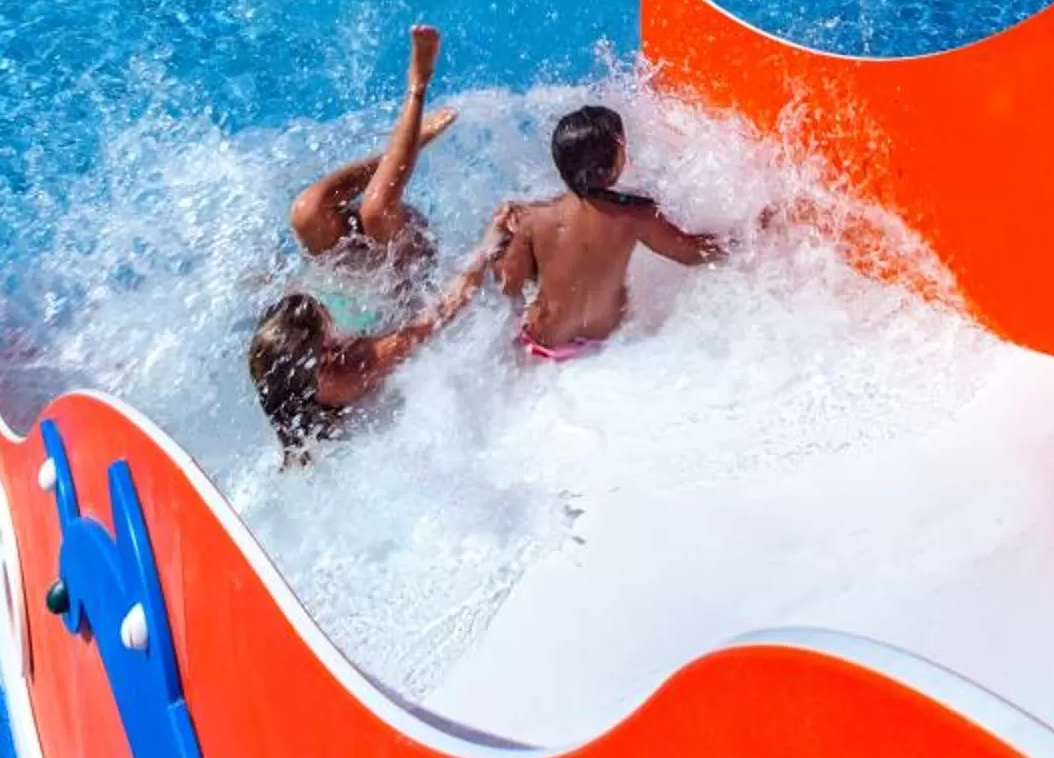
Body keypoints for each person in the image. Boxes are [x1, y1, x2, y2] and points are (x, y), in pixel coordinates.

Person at [479, 103, 727, 362]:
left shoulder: (531, 218)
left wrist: (499, 243)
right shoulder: (635, 215)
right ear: (616, 159)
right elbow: (691, 253)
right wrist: (746, 238)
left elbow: (508, 283)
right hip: (607, 350)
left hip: (541, 345)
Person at [247, 261, 484, 457]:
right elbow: (442, 312)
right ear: (327, 354)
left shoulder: (277, 379)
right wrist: (486, 250)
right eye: (326, 315)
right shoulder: (357, 367)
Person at [288, 24, 454, 268]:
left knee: (307, 210)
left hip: (351, 266)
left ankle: (403, 146)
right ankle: (418, 85)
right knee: (377, 211)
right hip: (404, 270)